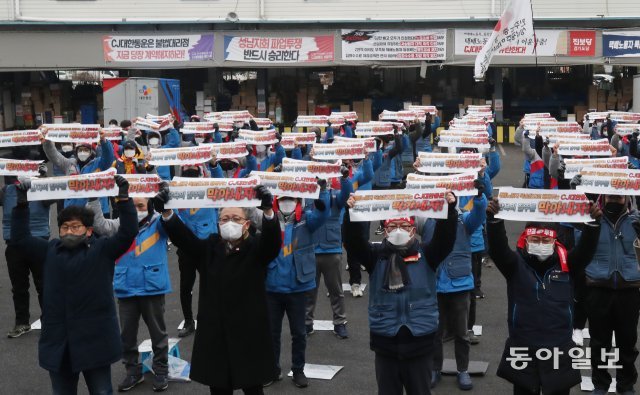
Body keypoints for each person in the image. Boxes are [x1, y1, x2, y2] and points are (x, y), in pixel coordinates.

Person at [10, 175, 137, 394]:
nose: (69, 231)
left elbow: (127, 233)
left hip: (95, 340)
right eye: (65, 227)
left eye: (75, 227)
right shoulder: (50, 250)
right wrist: (22, 203)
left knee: (102, 391)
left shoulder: (103, 250)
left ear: (89, 230)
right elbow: (20, 240)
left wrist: (124, 201)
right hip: (59, 343)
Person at [153, 184, 282, 395]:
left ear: (247, 224)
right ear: (218, 222)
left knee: (253, 388)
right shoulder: (210, 247)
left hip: (249, 331)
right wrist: (167, 213)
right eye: (224, 218)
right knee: (219, 388)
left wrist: (268, 212)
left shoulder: (257, 248)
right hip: (216, 332)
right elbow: (185, 240)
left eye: (236, 218)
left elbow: (273, 243)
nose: (229, 222)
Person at [343, 191, 458, 395]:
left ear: (413, 231)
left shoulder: (427, 254)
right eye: (392, 227)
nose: (398, 231)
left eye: (404, 227)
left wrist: (449, 210)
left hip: (420, 343)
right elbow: (353, 242)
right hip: (385, 343)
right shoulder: (375, 256)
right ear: (385, 231)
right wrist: (349, 213)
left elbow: (446, 239)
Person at [486, 198, 602, 395]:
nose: (541, 244)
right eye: (535, 240)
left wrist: (593, 225)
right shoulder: (514, 265)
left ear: (554, 241)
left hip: (559, 347)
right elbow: (498, 249)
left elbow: (586, 251)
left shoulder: (568, 265)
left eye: (546, 240)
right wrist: (494, 221)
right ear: (526, 239)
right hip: (523, 346)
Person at [86, 195, 172, 392]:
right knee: (126, 335)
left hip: (153, 288)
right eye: (132, 206)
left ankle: (161, 370)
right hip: (126, 288)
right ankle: (133, 371)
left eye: (141, 205)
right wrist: (93, 199)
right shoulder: (119, 224)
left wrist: (167, 204)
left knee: (158, 334)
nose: (136, 209)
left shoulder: (159, 222)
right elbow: (99, 225)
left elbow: (175, 225)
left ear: (150, 205)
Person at [263, 181, 330, 388]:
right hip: (272, 286)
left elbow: (323, 212)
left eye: (291, 198)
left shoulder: (307, 220)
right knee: (271, 333)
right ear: (276, 200)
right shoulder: (268, 219)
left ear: (298, 200)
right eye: (283, 198)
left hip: (297, 287)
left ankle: (298, 369)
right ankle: (272, 369)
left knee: (299, 333)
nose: (287, 202)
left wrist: (322, 192)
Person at [423, 185, 487, 391]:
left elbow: (479, 214)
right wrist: (413, 183)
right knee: (435, 332)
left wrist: (479, 196)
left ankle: (463, 370)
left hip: (459, 284)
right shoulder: (426, 221)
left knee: (461, 333)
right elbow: (405, 208)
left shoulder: (463, 220)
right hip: (434, 284)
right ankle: (435, 369)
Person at [580, 194, 640, 395]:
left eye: (619, 197)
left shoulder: (636, 220)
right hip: (598, 287)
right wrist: (578, 194)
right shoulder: (590, 217)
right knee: (599, 342)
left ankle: (626, 384)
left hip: (629, 288)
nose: (615, 200)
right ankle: (600, 384)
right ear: (603, 197)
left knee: (628, 342)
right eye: (611, 196)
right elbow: (578, 244)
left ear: (627, 198)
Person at [1, 164, 51, 338]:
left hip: (38, 242)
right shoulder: (6, 191)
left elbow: (59, 195)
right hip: (14, 244)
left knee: (44, 285)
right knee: (19, 287)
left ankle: (50, 321)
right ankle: (21, 322)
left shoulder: (43, 190)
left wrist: (44, 181)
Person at [305, 167, 353, 339]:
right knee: (309, 291)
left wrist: (345, 177)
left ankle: (340, 323)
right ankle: (306, 322)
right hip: (310, 249)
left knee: (336, 290)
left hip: (331, 249)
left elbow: (347, 195)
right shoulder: (306, 196)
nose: (320, 181)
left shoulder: (334, 196)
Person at [175, 164, 219, 338]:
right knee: (186, 286)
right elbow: (175, 217)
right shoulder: (177, 194)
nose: (190, 176)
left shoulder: (210, 190)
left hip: (207, 245)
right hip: (186, 247)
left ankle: (212, 318)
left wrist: (214, 166)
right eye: (187, 173)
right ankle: (188, 321)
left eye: (193, 173)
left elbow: (220, 182)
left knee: (210, 284)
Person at [41, 127, 115, 216]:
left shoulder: (99, 163)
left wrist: (104, 140)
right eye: (80, 150)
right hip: (73, 211)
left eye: (86, 150)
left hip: (96, 212)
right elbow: (54, 156)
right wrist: (47, 141)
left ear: (91, 152)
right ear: (76, 152)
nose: (83, 152)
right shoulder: (69, 164)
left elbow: (109, 156)